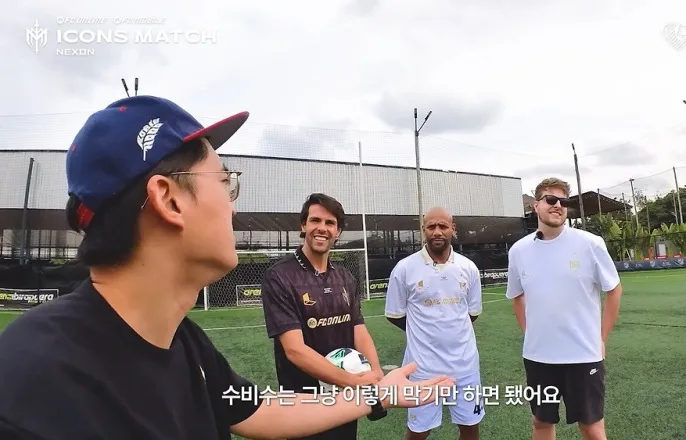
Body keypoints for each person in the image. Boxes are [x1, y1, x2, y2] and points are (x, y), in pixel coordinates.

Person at [0, 95, 455, 440]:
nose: (233, 207)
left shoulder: (187, 344)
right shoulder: (34, 378)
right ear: (168, 199)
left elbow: (259, 411)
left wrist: (377, 392)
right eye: (225, 182)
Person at [505, 177, 622, 440]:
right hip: (538, 358)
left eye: (563, 201)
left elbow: (614, 289)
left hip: (583, 355)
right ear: (536, 206)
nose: (557, 205)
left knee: (591, 427)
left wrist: (601, 339)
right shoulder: (519, 251)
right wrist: (530, 334)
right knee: (541, 423)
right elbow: (517, 296)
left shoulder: (590, 243)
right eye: (550, 199)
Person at [260, 193, 383, 440]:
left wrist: (376, 374)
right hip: (304, 400)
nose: (322, 228)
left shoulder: (345, 277)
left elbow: (358, 329)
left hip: (344, 397)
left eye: (330, 223)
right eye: (315, 220)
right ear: (303, 225)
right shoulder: (280, 276)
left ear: (338, 232)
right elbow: (294, 350)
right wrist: (354, 382)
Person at [385, 207, 485, 440]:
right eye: (431, 227)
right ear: (424, 230)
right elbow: (394, 314)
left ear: (453, 229)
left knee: (470, 427)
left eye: (443, 226)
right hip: (423, 368)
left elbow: (472, 313)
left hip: (465, 366)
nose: (437, 232)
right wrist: (424, 333)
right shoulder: (405, 268)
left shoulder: (468, 268)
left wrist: (449, 330)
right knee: (418, 431)